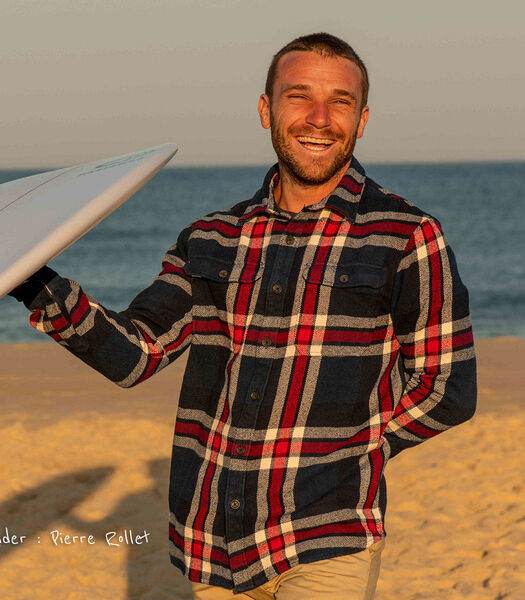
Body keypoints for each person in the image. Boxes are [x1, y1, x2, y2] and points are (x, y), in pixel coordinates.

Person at [8, 32, 477, 600]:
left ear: (363, 118)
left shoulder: (406, 236)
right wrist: (28, 274)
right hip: (213, 543)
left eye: (341, 102)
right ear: (266, 109)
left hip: (327, 541)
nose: (320, 118)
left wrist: (353, 452)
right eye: (299, 96)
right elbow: (136, 355)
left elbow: (447, 386)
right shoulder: (211, 237)